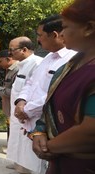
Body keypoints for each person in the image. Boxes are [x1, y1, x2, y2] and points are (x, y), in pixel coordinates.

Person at [32, 0, 95, 173]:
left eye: (65, 27)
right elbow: (50, 105)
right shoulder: (70, 65)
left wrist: (48, 147)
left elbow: (90, 132)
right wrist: (39, 132)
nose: (61, 34)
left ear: (88, 28)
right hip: (61, 162)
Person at [14, 14, 77, 132]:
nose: (37, 40)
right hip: (30, 126)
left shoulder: (72, 59)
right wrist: (21, 101)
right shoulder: (49, 57)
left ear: (54, 35)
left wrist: (27, 111)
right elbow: (31, 82)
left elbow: (56, 94)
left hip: (50, 129)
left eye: (39, 35)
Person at [6, 37, 43, 174]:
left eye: (12, 50)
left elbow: (38, 90)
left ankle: (29, 168)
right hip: (17, 111)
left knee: (28, 143)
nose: (10, 53)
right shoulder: (22, 65)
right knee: (17, 138)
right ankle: (19, 163)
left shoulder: (38, 63)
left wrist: (26, 110)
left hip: (28, 113)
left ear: (24, 50)